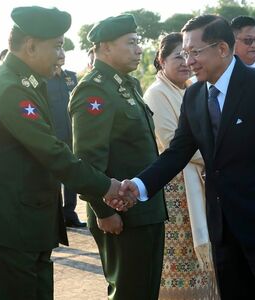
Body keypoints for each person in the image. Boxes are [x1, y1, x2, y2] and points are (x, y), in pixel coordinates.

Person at [116, 14, 255, 299]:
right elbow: (176, 153)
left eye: (195, 52)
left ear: (221, 49)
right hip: (222, 226)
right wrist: (139, 185)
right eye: (184, 53)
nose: (189, 61)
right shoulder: (194, 96)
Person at [0, 6, 123, 300]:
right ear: (31, 46)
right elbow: (52, 152)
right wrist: (106, 186)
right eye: (57, 46)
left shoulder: (26, 82)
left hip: (25, 226)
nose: (61, 55)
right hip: (8, 228)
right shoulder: (10, 87)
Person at [70, 14, 167, 300]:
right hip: (122, 215)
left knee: (145, 291)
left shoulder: (127, 85)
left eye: (139, 42)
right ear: (106, 47)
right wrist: (105, 211)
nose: (139, 49)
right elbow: (87, 161)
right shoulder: (94, 90)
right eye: (131, 43)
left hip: (146, 209)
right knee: (128, 292)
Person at [144, 32, 219, 299]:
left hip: (198, 180)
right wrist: (216, 155)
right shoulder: (157, 93)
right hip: (176, 189)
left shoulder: (191, 90)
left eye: (189, 55)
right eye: (178, 56)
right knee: (179, 260)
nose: (186, 62)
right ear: (161, 61)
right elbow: (170, 141)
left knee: (200, 260)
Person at [46, 55, 84, 227]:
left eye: (62, 49)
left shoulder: (71, 77)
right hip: (53, 134)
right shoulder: (44, 79)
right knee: (54, 175)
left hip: (72, 133)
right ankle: (56, 215)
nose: (60, 54)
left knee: (71, 172)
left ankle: (69, 213)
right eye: (56, 49)